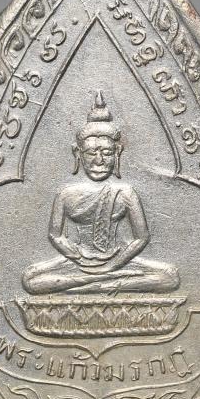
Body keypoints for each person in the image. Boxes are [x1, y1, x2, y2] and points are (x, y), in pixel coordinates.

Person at [22, 92, 180, 295]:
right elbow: (55, 235)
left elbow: (141, 237)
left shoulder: (125, 192)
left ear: (117, 153)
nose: (99, 160)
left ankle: (94, 284)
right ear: (78, 154)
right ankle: (100, 283)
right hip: (77, 262)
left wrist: (114, 265)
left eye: (106, 153)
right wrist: (77, 257)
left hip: (117, 261)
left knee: (170, 276)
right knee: (29, 279)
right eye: (91, 153)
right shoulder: (66, 194)